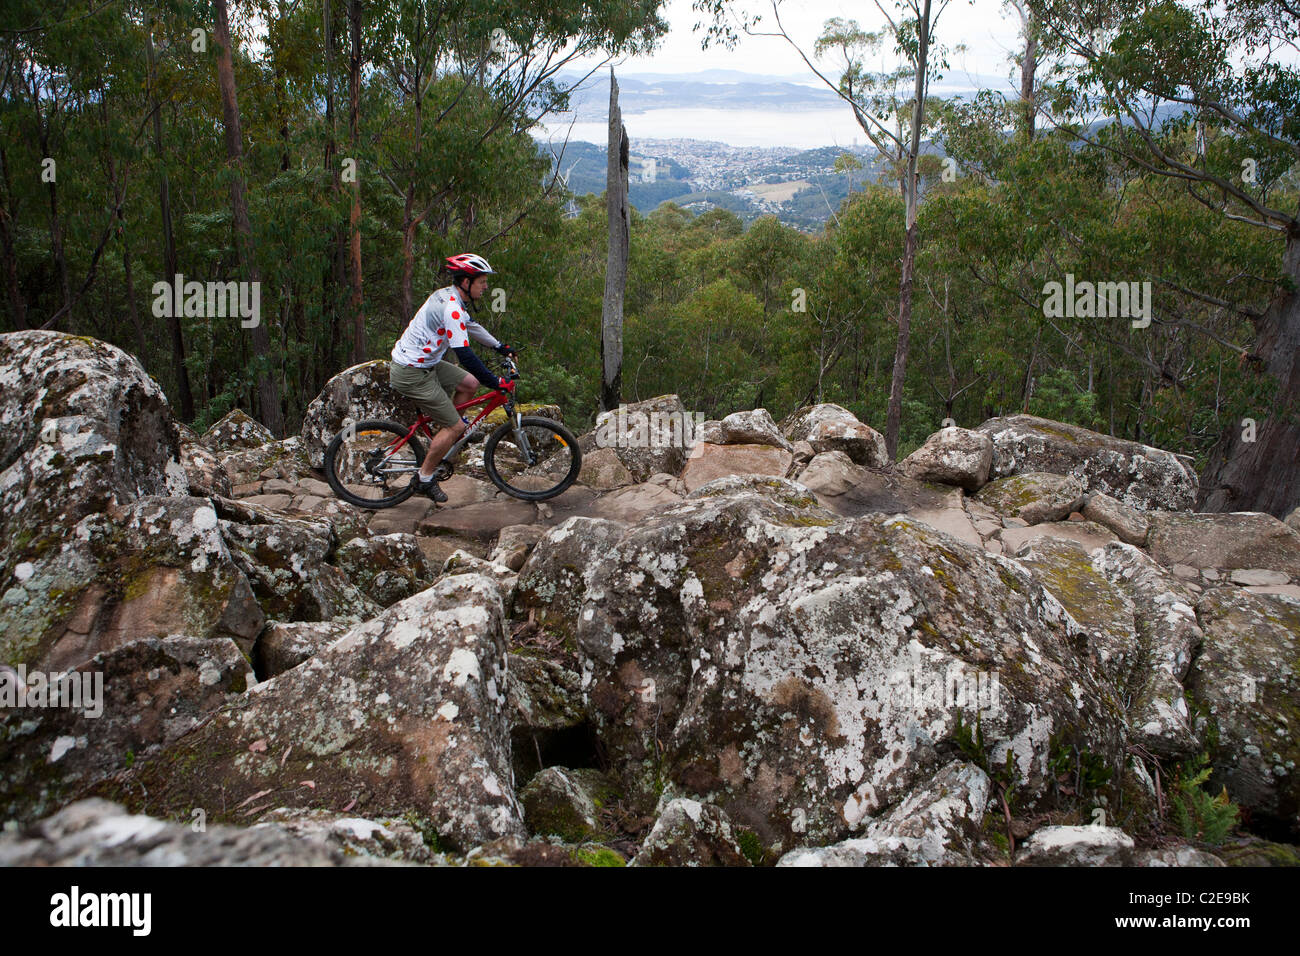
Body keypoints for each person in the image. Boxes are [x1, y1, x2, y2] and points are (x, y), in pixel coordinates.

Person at [390, 253, 517, 503]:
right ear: (466, 282)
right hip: (412, 373)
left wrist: (500, 346)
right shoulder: (451, 308)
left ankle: (447, 434)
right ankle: (425, 477)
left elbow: (472, 327)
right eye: (482, 281)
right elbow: (466, 356)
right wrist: (496, 382)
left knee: (469, 383)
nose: (486, 286)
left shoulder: (450, 297)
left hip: (425, 364)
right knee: (455, 425)